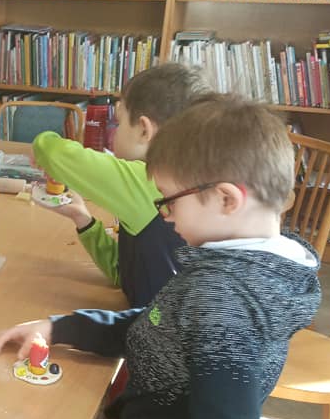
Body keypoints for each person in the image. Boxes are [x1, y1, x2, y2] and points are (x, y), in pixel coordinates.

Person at [0, 95, 321, 419]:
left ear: (227, 199)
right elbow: (158, 323)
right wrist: (64, 328)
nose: (162, 215)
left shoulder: (222, 297)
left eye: (168, 199)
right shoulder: (256, 267)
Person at [32, 62, 211, 308]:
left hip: (154, 328)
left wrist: (43, 142)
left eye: (119, 122)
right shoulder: (183, 181)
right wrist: (83, 220)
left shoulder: (146, 179)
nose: (113, 132)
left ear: (144, 131)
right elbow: (125, 275)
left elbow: (51, 153)